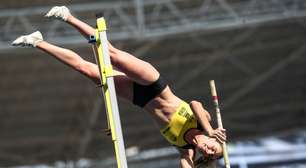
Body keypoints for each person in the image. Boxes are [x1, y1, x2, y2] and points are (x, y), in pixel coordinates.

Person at [12, 6, 226, 168]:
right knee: (111, 55)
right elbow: (196, 103)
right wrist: (210, 130)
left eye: (209, 155)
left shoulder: (185, 149)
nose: (208, 150)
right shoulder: (205, 123)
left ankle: (37, 42)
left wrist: (202, 164)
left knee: (88, 71)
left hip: (139, 98)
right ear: (214, 140)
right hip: (153, 84)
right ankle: (67, 15)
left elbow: (185, 164)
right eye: (213, 148)